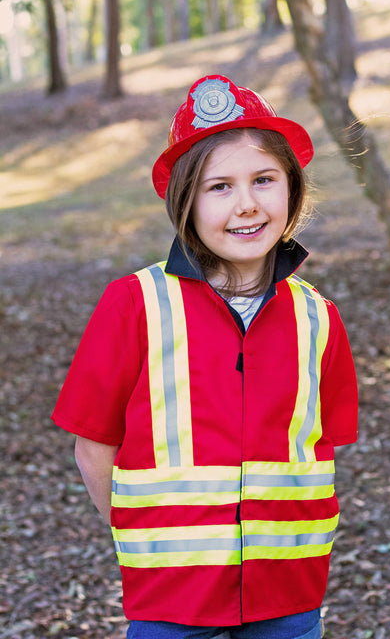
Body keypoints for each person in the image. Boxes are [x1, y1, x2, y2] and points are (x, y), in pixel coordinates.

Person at [52, 74, 358, 639]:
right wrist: (142, 539)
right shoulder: (134, 305)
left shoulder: (319, 317)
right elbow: (93, 446)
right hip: (172, 598)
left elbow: (322, 446)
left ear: (291, 188)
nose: (247, 204)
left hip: (289, 595)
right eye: (219, 187)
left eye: (264, 179)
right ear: (185, 203)